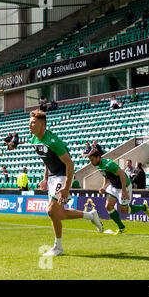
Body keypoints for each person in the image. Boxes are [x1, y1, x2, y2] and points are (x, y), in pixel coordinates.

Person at [29, 109, 103, 256]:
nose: (30, 126)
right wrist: (45, 178)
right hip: (52, 177)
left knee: (51, 210)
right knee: (57, 214)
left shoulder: (53, 141)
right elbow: (47, 160)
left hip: (63, 175)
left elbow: (70, 164)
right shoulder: (34, 139)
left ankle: (58, 247)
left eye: (33, 123)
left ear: (43, 125)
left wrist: (66, 187)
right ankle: (90, 216)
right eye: (29, 123)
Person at [88, 149, 149, 234]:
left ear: (98, 157)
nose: (91, 162)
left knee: (124, 210)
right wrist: (103, 187)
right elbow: (106, 176)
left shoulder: (109, 164)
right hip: (114, 186)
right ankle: (121, 227)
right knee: (108, 206)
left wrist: (124, 190)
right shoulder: (98, 165)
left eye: (92, 160)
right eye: (90, 160)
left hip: (123, 186)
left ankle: (143, 207)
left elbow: (121, 174)